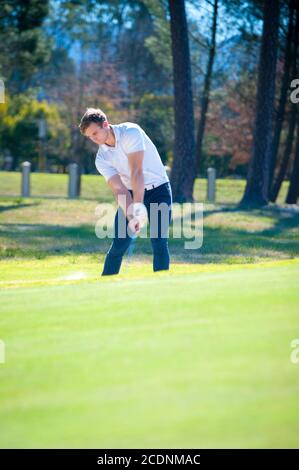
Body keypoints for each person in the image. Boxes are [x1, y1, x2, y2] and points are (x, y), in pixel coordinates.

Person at [78, 107, 172, 276]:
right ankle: (105, 285)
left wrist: (138, 207)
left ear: (105, 124)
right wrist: (131, 216)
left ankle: (162, 286)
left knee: (159, 241)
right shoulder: (102, 159)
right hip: (129, 191)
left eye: (95, 133)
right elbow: (119, 189)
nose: (94, 139)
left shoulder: (131, 132)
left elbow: (136, 171)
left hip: (159, 190)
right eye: (90, 137)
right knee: (120, 243)